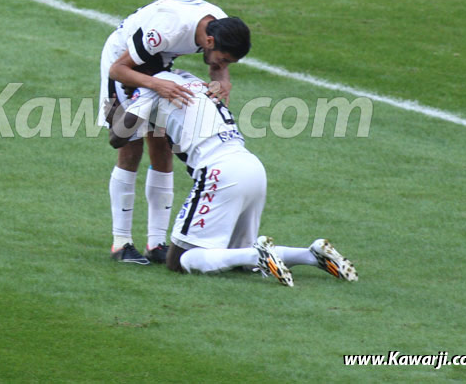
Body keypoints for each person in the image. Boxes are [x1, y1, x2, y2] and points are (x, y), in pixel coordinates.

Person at [107, 70, 358, 285]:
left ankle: (258, 255)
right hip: (251, 166)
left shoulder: (152, 86)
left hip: (220, 171)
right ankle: (312, 255)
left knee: (178, 260)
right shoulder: (187, 78)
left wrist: (116, 109)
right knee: (236, 257)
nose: (123, 87)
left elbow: (118, 137)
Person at [97, 0, 251, 265]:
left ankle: (156, 243)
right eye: (223, 59)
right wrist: (156, 85)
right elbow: (118, 68)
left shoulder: (219, 26)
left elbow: (217, 66)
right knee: (129, 147)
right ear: (210, 42)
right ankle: (121, 243)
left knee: (162, 147)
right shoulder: (169, 29)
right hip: (124, 61)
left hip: (160, 62)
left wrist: (223, 81)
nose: (222, 63)